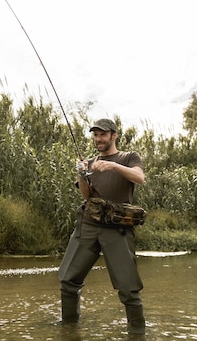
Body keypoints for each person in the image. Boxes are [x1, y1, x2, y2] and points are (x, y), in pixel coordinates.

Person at [58, 118, 146, 335]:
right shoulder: (89, 163)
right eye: (95, 135)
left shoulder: (128, 157)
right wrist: (81, 174)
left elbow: (140, 177)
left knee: (128, 289)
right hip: (87, 225)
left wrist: (113, 166)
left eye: (103, 135)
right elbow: (87, 196)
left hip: (117, 230)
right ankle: (69, 330)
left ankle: (138, 334)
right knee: (68, 280)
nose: (98, 139)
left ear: (114, 136)